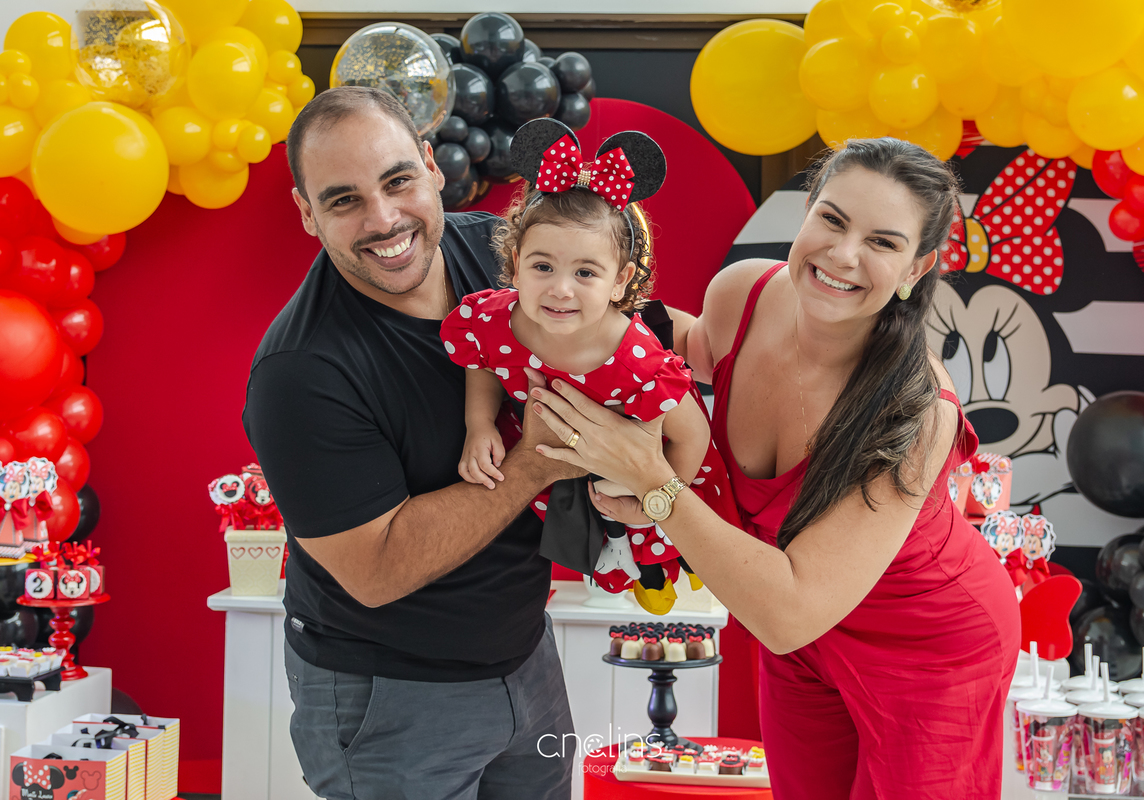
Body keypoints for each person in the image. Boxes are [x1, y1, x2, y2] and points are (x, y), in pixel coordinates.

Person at [527, 138, 1022, 798]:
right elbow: (685, 349)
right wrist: (569, 302)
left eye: (882, 242)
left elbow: (789, 609)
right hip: (802, 642)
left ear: (917, 266)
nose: (843, 255)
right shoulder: (744, 294)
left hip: (927, 647)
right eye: (833, 219)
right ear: (808, 210)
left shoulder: (915, 411)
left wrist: (653, 485)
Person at [242, 86, 579, 800]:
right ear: (308, 215)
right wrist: (536, 462)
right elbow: (378, 568)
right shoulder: (300, 373)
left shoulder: (496, 249)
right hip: (390, 696)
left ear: (432, 166)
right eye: (343, 200)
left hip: (526, 655)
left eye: (398, 181)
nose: (384, 219)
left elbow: (604, 333)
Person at [439, 118, 737, 613]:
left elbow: (691, 436)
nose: (560, 288)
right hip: (556, 460)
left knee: (638, 531)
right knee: (588, 527)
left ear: (619, 282)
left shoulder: (634, 356)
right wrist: (478, 423)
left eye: (585, 272)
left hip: (642, 463)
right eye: (542, 267)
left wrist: (658, 502)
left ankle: (658, 569)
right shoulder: (493, 319)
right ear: (514, 264)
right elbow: (483, 362)